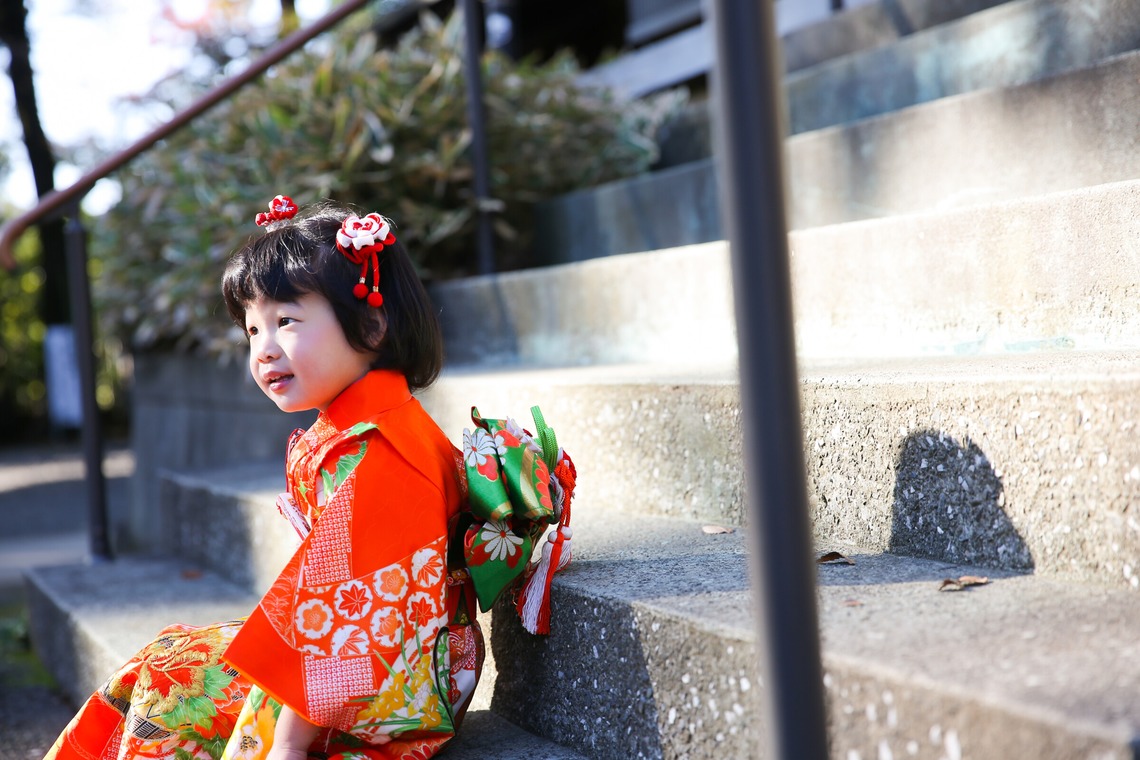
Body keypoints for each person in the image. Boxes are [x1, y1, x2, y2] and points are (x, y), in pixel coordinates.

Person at [43, 196, 486, 760]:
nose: (263, 350)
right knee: (168, 655)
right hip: (390, 664)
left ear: (372, 325)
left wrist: (287, 742)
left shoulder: (376, 452)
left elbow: (348, 621)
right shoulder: (378, 424)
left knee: (172, 684)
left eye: (286, 322)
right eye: (252, 329)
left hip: (386, 692)